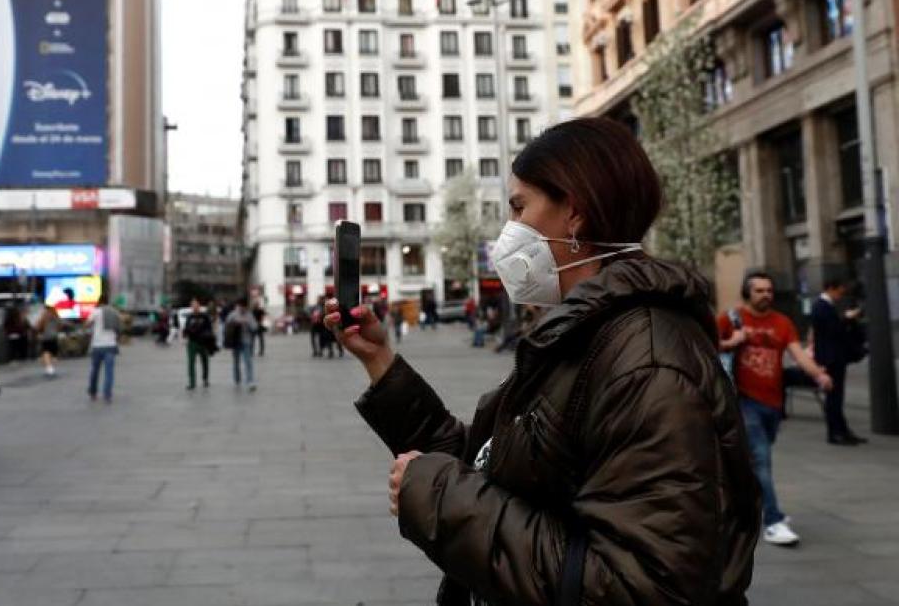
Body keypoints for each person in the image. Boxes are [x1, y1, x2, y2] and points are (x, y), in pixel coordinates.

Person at [325, 117, 761, 605]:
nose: (509, 230)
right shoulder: (588, 334)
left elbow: (643, 586)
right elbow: (491, 467)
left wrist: (440, 496)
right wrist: (380, 360)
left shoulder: (647, 360)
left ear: (573, 212)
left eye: (519, 206)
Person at [718, 271, 832, 546]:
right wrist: (733, 341)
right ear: (747, 293)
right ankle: (773, 521)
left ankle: (742, 507)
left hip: (772, 404)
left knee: (756, 460)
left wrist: (818, 374)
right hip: (743, 400)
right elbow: (702, 346)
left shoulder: (782, 323)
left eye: (769, 290)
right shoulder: (730, 319)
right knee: (761, 459)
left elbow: (798, 353)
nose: (766, 295)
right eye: (759, 290)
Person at [810, 278, 867, 446]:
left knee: (836, 396)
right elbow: (832, 330)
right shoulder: (821, 306)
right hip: (831, 358)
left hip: (833, 356)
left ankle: (842, 430)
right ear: (831, 289)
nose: (840, 296)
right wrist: (847, 318)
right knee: (834, 396)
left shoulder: (824, 306)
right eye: (839, 292)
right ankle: (835, 432)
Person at [86, 295, 121, 403]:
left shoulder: (96, 312)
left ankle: (93, 392)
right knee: (109, 372)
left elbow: (87, 324)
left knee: (95, 370)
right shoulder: (114, 312)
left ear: (99, 302)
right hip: (111, 345)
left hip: (97, 345)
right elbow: (119, 327)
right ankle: (107, 395)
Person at [225, 298, 258, 391]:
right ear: (238, 305)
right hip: (235, 342)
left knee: (248, 361)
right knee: (236, 362)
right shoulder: (232, 314)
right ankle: (237, 379)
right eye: (240, 306)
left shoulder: (249, 315)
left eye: (244, 307)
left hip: (246, 341)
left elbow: (255, 327)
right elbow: (226, 325)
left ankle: (250, 381)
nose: (242, 309)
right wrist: (236, 323)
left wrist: (247, 322)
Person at [183, 298, 214, 390]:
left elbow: (210, 329)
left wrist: (208, 338)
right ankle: (192, 383)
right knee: (191, 363)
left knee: (204, 362)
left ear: (199, 306)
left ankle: (205, 379)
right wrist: (186, 333)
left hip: (203, 342)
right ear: (191, 307)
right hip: (192, 343)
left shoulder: (204, 316)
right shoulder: (189, 317)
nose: (194, 307)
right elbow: (186, 329)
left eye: (196, 305)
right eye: (193, 305)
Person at [34, 305, 61, 378]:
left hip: (46, 336)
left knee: (46, 352)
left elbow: (38, 326)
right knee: (49, 352)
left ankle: (49, 368)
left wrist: (38, 330)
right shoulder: (56, 315)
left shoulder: (44, 315)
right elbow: (59, 326)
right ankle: (49, 366)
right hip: (54, 336)